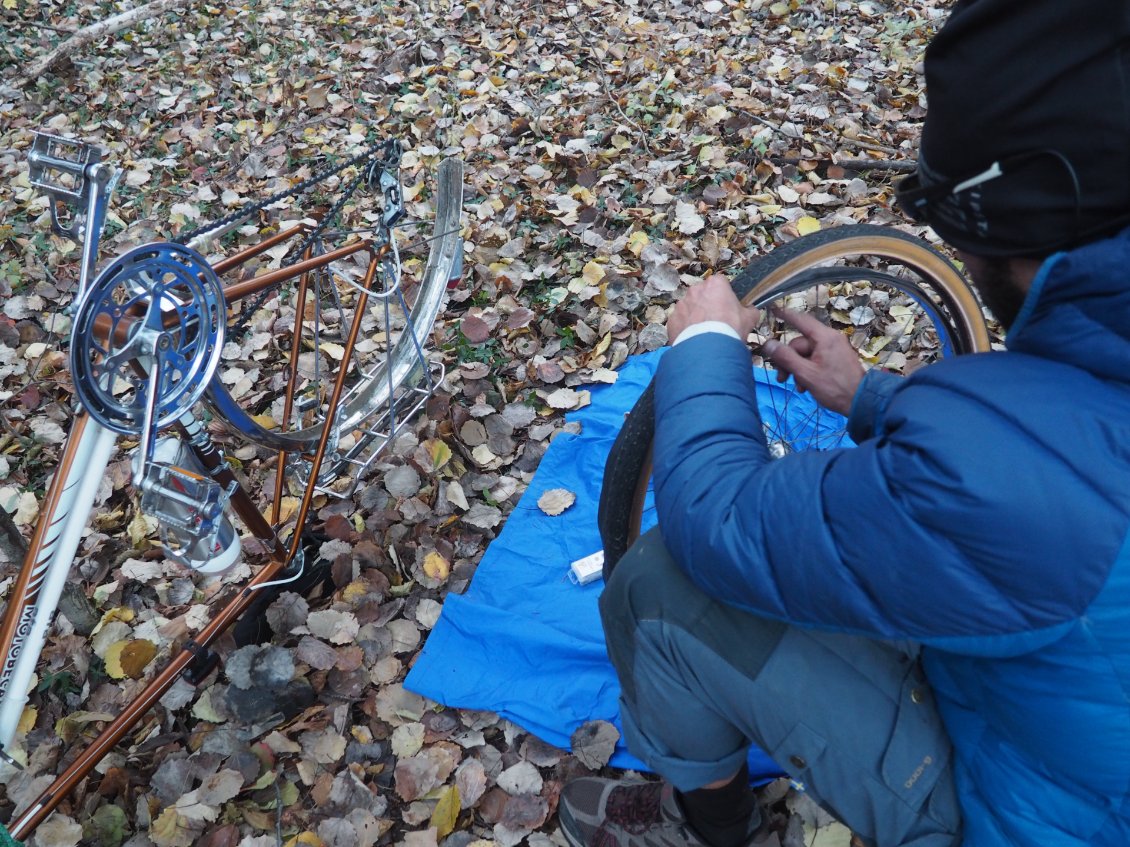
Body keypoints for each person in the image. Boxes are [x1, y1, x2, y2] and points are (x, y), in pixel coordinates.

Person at [558, 2, 1130, 846]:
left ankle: (708, 824)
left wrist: (707, 343)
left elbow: (715, 517)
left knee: (657, 583)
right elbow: (1070, 462)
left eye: (959, 239)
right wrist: (874, 398)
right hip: (1082, 737)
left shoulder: (1009, 475)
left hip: (1025, 809)